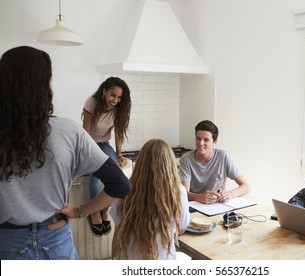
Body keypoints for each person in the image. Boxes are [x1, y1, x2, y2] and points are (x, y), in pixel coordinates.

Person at [0, 46, 130, 260]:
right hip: (56, 239)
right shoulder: (69, 131)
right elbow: (121, 185)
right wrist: (80, 211)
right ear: (48, 83)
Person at [111, 139, 190, 259]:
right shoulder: (178, 192)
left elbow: (118, 228)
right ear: (170, 164)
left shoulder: (123, 190)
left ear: (140, 163)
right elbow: (181, 228)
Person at [82, 77, 131, 237]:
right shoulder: (92, 103)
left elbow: (118, 133)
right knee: (98, 172)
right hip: (89, 144)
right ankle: (93, 211)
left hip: (104, 144)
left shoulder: (119, 108)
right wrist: (90, 156)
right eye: (112, 95)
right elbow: (86, 134)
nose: (115, 100)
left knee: (116, 172)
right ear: (104, 92)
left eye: (118, 97)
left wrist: (119, 154)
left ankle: (105, 208)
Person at [179, 120, 251, 204]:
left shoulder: (224, 156)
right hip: (195, 205)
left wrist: (229, 194)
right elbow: (184, 194)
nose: (201, 143)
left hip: (217, 205)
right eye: (198, 138)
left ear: (215, 142)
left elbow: (246, 187)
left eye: (206, 140)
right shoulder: (186, 159)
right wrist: (200, 197)